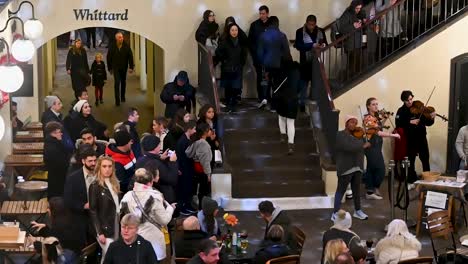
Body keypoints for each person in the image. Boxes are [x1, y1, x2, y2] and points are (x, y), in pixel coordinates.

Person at [120, 168, 175, 262]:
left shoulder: (127, 196)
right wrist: (170, 209)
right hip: (153, 241)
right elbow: (164, 220)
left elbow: (122, 217)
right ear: (151, 182)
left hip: (133, 239)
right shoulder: (154, 196)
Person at [332, 115, 370, 221]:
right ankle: (335, 212)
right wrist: (362, 145)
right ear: (346, 123)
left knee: (356, 190)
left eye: (355, 122)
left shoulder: (359, 136)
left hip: (358, 166)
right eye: (351, 122)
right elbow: (348, 147)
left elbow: (363, 148)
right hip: (346, 167)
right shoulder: (340, 135)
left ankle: (358, 211)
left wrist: (367, 139)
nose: (354, 125)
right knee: (341, 190)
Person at [395, 90, 435, 187]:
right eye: (407, 100)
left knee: (425, 159)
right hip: (410, 139)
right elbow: (398, 124)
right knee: (410, 161)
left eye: (410, 99)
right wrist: (409, 122)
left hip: (421, 138)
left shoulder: (418, 107)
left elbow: (428, 123)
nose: (409, 102)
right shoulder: (401, 111)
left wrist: (432, 118)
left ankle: (427, 180)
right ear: (403, 101)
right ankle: (411, 181)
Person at [364, 98, 400, 199]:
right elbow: (378, 133)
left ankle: (370, 191)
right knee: (380, 169)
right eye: (373, 104)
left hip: (377, 145)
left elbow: (379, 127)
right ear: (368, 106)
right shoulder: (368, 118)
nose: (376, 106)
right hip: (371, 146)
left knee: (371, 169)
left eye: (377, 104)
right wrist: (394, 135)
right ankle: (373, 189)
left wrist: (385, 118)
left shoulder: (375, 117)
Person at [30, 197, 85, 263]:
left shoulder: (58, 227)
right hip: (76, 255)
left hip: (66, 259)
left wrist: (35, 243)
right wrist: (45, 227)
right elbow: (56, 237)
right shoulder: (70, 219)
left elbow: (51, 250)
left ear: (54, 211)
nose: (47, 210)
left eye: (49, 208)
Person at [89, 155, 121, 263]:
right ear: (99, 168)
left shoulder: (115, 183)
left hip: (116, 222)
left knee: (107, 256)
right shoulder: (95, 186)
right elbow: (93, 211)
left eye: (109, 166)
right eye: (104, 166)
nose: (107, 169)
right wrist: (99, 232)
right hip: (103, 226)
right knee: (111, 254)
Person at [64, 144, 97, 245]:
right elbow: (67, 200)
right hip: (81, 217)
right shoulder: (73, 178)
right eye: (90, 161)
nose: (93, 163)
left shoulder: (101, 174)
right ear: (83, 161)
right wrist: (83, 206)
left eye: (95, 161)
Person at [257, 16, 292, 109]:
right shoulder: (282, 35)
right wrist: (289, 63)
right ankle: (274, 105)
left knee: (265, 81)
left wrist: (261, 62)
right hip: (278, 64)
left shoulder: (262, 35)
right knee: (277, 84)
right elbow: (286, 52)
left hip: (266, 63)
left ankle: (264, 98)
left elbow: (259, 52)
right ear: (277, 23)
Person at [294, 15, 327, 110]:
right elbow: (298, 45)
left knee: (315, 84)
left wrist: (323, 45)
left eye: (313, 25)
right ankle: (302, 105)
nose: (311, 26)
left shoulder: (321, 31)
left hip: (317, 61)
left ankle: (314, 105)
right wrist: (312, 45)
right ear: (306, 22)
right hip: (305, 61)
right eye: (309, 24)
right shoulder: (300, 31)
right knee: (303, 84)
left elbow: (326, 44)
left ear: (315, 24)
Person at [135, 135, 178, 203]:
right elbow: (172, 179)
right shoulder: (156, 164)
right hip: (161, 197)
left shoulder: (140, 160)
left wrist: (160, 158)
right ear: (155, 147)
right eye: (159, 144)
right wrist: (173, 162)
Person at [216, 23, 247, 112]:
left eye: (236, 30)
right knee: (228, 87)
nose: (234, 32)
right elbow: (218, 52)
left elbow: (244, 54)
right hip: (227, 68)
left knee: (236, 87)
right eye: (232, 30)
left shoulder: (241, 41)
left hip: (238, 68)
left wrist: (242, 63)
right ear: (229, 31)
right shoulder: (225, 41)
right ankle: (229, 104)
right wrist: (224, 60)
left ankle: (233, 104)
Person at [273, 60, 300, 155]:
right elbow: (299, 87)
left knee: (281, 116)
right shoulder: (297, 73)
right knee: (291, 122)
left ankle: (282, 135)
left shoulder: (281, 72)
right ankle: (291, 144)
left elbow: (275, 85)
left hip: (282, 98)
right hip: (293, 99)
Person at [186, 123, 213, 208]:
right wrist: (208, 174)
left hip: (197, 170)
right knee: (203, 192)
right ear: (205, 132)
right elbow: (205, 161)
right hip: (203, 171)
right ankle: (202, 208)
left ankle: (201, 208)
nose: (211, 131)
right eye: (209, 130)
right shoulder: (203, 143)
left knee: (201, 191)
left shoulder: (196, 142)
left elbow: (188, 153)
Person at [248, 5, 270, 104]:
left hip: (270, 57)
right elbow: (250, 42)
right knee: (260, 77)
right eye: (260, 13)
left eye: (263, 13)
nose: (261, 15)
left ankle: (268, 97)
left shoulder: (272, 24)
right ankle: (261, 97)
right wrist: (255, 54)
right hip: (258, 57)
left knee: (269, 77)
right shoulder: (254, 25)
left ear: (267, 14)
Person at [107, 31, 134, 106]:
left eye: (122, 37)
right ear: (116, 38)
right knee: (117, 82)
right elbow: (108, 57)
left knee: (123, 82)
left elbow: (130, 56)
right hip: (115, 67)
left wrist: (131, 67)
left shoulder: (126, 46)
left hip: (123, 67)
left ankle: (122, 96)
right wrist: (110, 68)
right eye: (119, 37)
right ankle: (117, 100)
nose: (121, 39)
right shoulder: (112, 46)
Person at [44, 122, 70, 198]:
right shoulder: (53, 147)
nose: (61, 134)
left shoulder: (52, 143)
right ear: (53, 133)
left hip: (56, 177)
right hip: (57, 179)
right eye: (59, 132)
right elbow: (62, 163)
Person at [176, 120, 197, 215]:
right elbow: (180, 156)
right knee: (184, 189)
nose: (195, 131)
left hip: (188, 168)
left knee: (188, 188)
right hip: (184, 169)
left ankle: (187, 205)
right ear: (189, 129)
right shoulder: (182, 141)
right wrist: (178, 168)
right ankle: (182, 207)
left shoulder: (187, 139)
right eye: (194, 129)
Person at [339, 0, 365, 77]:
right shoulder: (346, 14)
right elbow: (341, 29)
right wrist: (353, 26)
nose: (358, 10)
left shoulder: (359, 13)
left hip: (358, 43)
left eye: (360, 8)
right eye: (357, 8)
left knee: (358, 65)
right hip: (350, 44)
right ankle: (350, 82)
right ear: (353, 7)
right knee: (352, 66)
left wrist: (363, 21)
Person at [105, 128, 136, 193]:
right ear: (125, 143)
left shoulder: (129, 151)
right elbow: (121, 184)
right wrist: (138, 178)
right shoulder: (116, 162)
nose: (131, 143)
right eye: (130, 141)